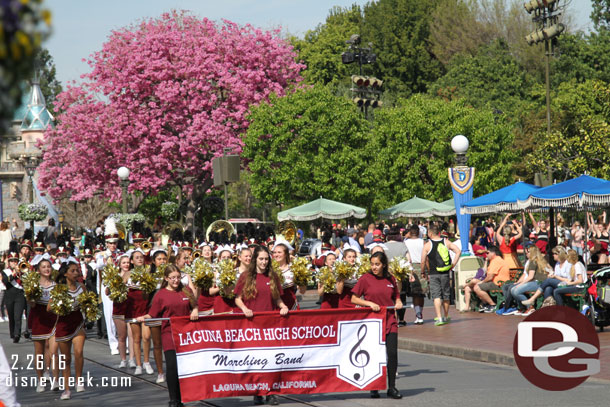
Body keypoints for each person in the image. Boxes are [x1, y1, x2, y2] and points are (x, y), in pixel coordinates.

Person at [138, 264, 199, 407]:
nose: (176, 280)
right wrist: (143, 318)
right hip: (169, 334)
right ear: (166, 278)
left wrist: (195, 310)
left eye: (178, 277)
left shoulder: (187, 290)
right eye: (172, 278)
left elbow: (194, 305)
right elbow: (152, 314)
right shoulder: (160, 295)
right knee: (172, 366)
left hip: (186, 334)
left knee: (185, 367)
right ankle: (174, 400)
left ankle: (183, 397)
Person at [234, 246, 288, 406]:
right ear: (255, 259)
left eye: (266, 259)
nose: (264, 262)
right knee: (256, 359)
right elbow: (238, 298)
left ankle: (271, 392)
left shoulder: (273, 276)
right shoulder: (245, 276)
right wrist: (244, 309)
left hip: (270, 325)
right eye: (261, 259)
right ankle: (257, 391)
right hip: (252, 325)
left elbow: (277, 298)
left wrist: (283, 306)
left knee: (271, 359)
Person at [351, 251, 403, 399]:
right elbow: (354, 299)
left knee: (392, 353)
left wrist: (398, 302)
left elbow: (396, 295)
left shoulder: (390, 279)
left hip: (390, 320)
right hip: (372, 322)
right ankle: (374, 386)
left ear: (384, 265)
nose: (374, 267)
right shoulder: (365, 279)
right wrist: (368, 303)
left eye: (377, 264)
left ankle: (392, 387)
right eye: (372, 264)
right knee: (374, 354)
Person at [48, 259, 87, 399]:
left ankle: (78, 380)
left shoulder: (81, 287)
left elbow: (88, 303)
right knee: (66, 359)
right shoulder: (58, 289)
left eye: (77, 270)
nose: (76, 273)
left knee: (79, 352)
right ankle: (67, 389)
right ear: (65, 274)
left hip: (77, 323)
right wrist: (60, 306)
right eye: (73, 271)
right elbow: (49, 308)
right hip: (63, 325)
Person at [27, 253, 60, 392]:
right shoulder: (34, 285)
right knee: (39, 352)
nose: (47, 269)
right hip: (38, 319)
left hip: (53, 319)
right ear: (39, 270)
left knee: (54, 351)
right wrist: (31, 296)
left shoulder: (56, 285)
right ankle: (40, 379)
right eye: (44, 267)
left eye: (48, 267)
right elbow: (32, 305)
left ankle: (56, 380)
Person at [421, 225, 460, 325]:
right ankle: (446, 316)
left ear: (430, 234)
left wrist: (423, 271)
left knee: (437, 295)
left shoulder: (427, 245)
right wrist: (453, 264)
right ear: (438, 232)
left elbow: (423, 260)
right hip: (445, 272)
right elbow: (458, 251)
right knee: (446, 294)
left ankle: (439, 318)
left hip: (434, 273)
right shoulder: (446, 242)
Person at [125, 249, 155, 376]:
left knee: (147, 337)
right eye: (136, 257)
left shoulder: (148, 272)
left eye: (141, 257)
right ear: (132, 261)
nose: (139, 259)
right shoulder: (127, 274)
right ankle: (138, 364)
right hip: (133, 309)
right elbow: (116, 289)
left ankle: (146, 362)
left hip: (146, 308)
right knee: (136, 339)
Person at [108, 254, 135, 370]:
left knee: (132, 335)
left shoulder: (134, 275)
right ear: (119, 264)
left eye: (128, 262)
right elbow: (107, 292)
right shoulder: (115, 276)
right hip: (118, 308)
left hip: (131, 308)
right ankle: (123, 359)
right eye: (124, 262)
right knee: (122, 336)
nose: (126, 264)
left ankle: (132, 359)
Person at [146, 248, 168, 383]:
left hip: (168, 313)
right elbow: (145, 297)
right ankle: (160, 372)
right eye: (159, 259)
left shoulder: (170, 274)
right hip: (155, 313)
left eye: (164, 259)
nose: (162, 261)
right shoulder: (149, 276)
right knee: (157, 344)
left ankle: (173, 369)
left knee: (170, 344)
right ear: (154, 261)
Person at [511, 244, 550, 315]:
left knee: (516, 291)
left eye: (528, 252)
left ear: (533, 252)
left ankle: (530, 307)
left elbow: (530, 277)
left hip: (538, 283)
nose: (526, 254)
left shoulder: (533, 261)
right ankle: (524, 307)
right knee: (513, 289)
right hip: (541, 283)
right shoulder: (540, 260)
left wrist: (520, 284)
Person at [470, 246, 510, 313]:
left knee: (477, 287)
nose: (486, 255)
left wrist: (482, 282)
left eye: (488, 253)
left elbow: (490, 277)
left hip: (499, 283)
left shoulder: (496, 261)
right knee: (474, 286)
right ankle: (486, 304)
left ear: (493, 253)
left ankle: (492, 304)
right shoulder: (495, 260)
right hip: (498, 282)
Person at [272, 240, 306, 310]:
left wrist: (302, 279)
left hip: (291, 305)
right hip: (274, 305)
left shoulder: (294, 268)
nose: (276, 255)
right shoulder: (270, 269)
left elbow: (302, 291)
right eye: (274, 252)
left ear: (286, 254)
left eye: (279, 252)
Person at [403, 224, 426, 325]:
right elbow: (426, 257)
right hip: (422, 266)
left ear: (410, 232)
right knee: (421, 293)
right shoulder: (423, 242)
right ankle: (420, 313)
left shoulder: (405, 243)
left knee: (415, 293)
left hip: (410, 267)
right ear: (418, 232)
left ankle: (418, 314)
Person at [2, 249, 26, 342]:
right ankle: (13, 333)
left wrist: (20, 272)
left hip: (19, 294)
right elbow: (5, 281)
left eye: (15, 260)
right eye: (11, 261)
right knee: (11, 316)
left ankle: (17, 334)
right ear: (9, 262)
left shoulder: (22, 270)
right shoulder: (5, 271)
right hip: (9, 294)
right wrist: (14, 273)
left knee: (18, 315)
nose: (13, 262)